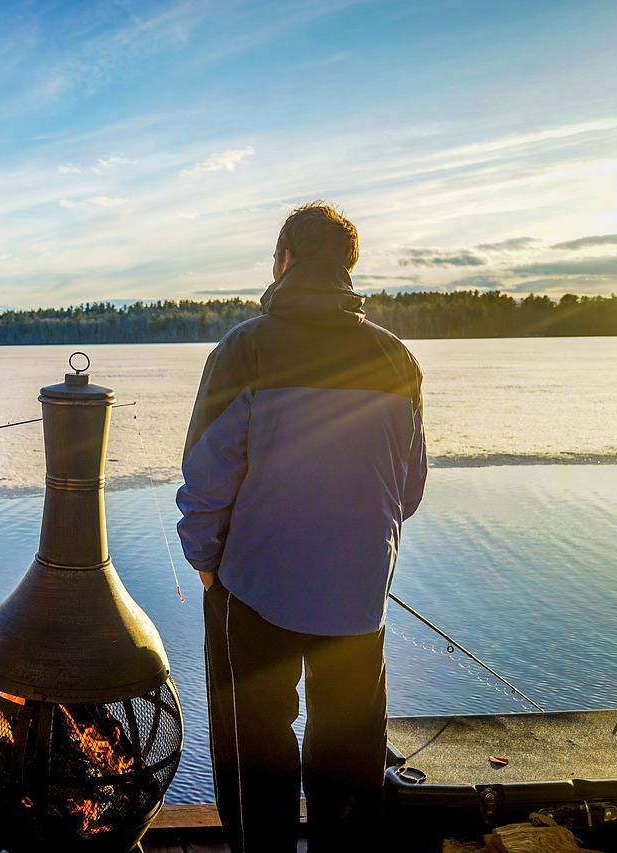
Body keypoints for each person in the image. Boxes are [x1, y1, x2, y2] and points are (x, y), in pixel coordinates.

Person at [177, 203, 427, 852]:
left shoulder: (246, 349)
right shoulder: (396, 359)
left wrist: (205, 561)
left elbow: (207, 476)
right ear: (346, 267)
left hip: (253, 591)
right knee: (348, 752)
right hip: (357, 594)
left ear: (284, 261)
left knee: (254, 749)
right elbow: (409, 488)